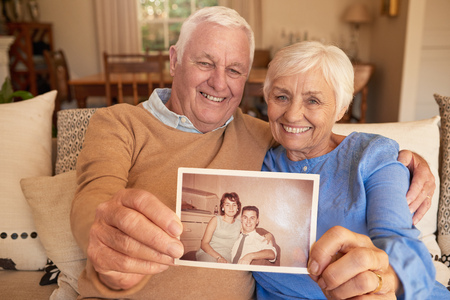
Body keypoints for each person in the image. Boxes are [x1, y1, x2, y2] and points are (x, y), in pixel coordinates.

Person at [70, 6, 436, 299]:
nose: (219, 82)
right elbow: (95, 194)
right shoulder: (119, 122)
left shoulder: (259, 134)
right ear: (174, 59)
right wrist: (101, 233)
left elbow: (316, 137)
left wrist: (401, 161)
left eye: (234, 70)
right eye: (204, 62)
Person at [252, 41, 449, 300]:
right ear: (267, 99)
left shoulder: (372, 155)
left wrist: (390, 280)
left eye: (313, 100)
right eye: (281, 97)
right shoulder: (255, 153)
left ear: (341, 109)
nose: (292, 114)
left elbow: (401, 242)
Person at [196, 192, 242, 263]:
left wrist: (265, 236)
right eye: (227, 205)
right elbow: (204, 244)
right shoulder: (215, 220)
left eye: (234, 205)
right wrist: (219, 257)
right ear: (223, 207)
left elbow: (251, 233)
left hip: (227, 257)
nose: (231, 208)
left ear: (238, 207)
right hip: (208, 253)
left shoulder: (240, 224)